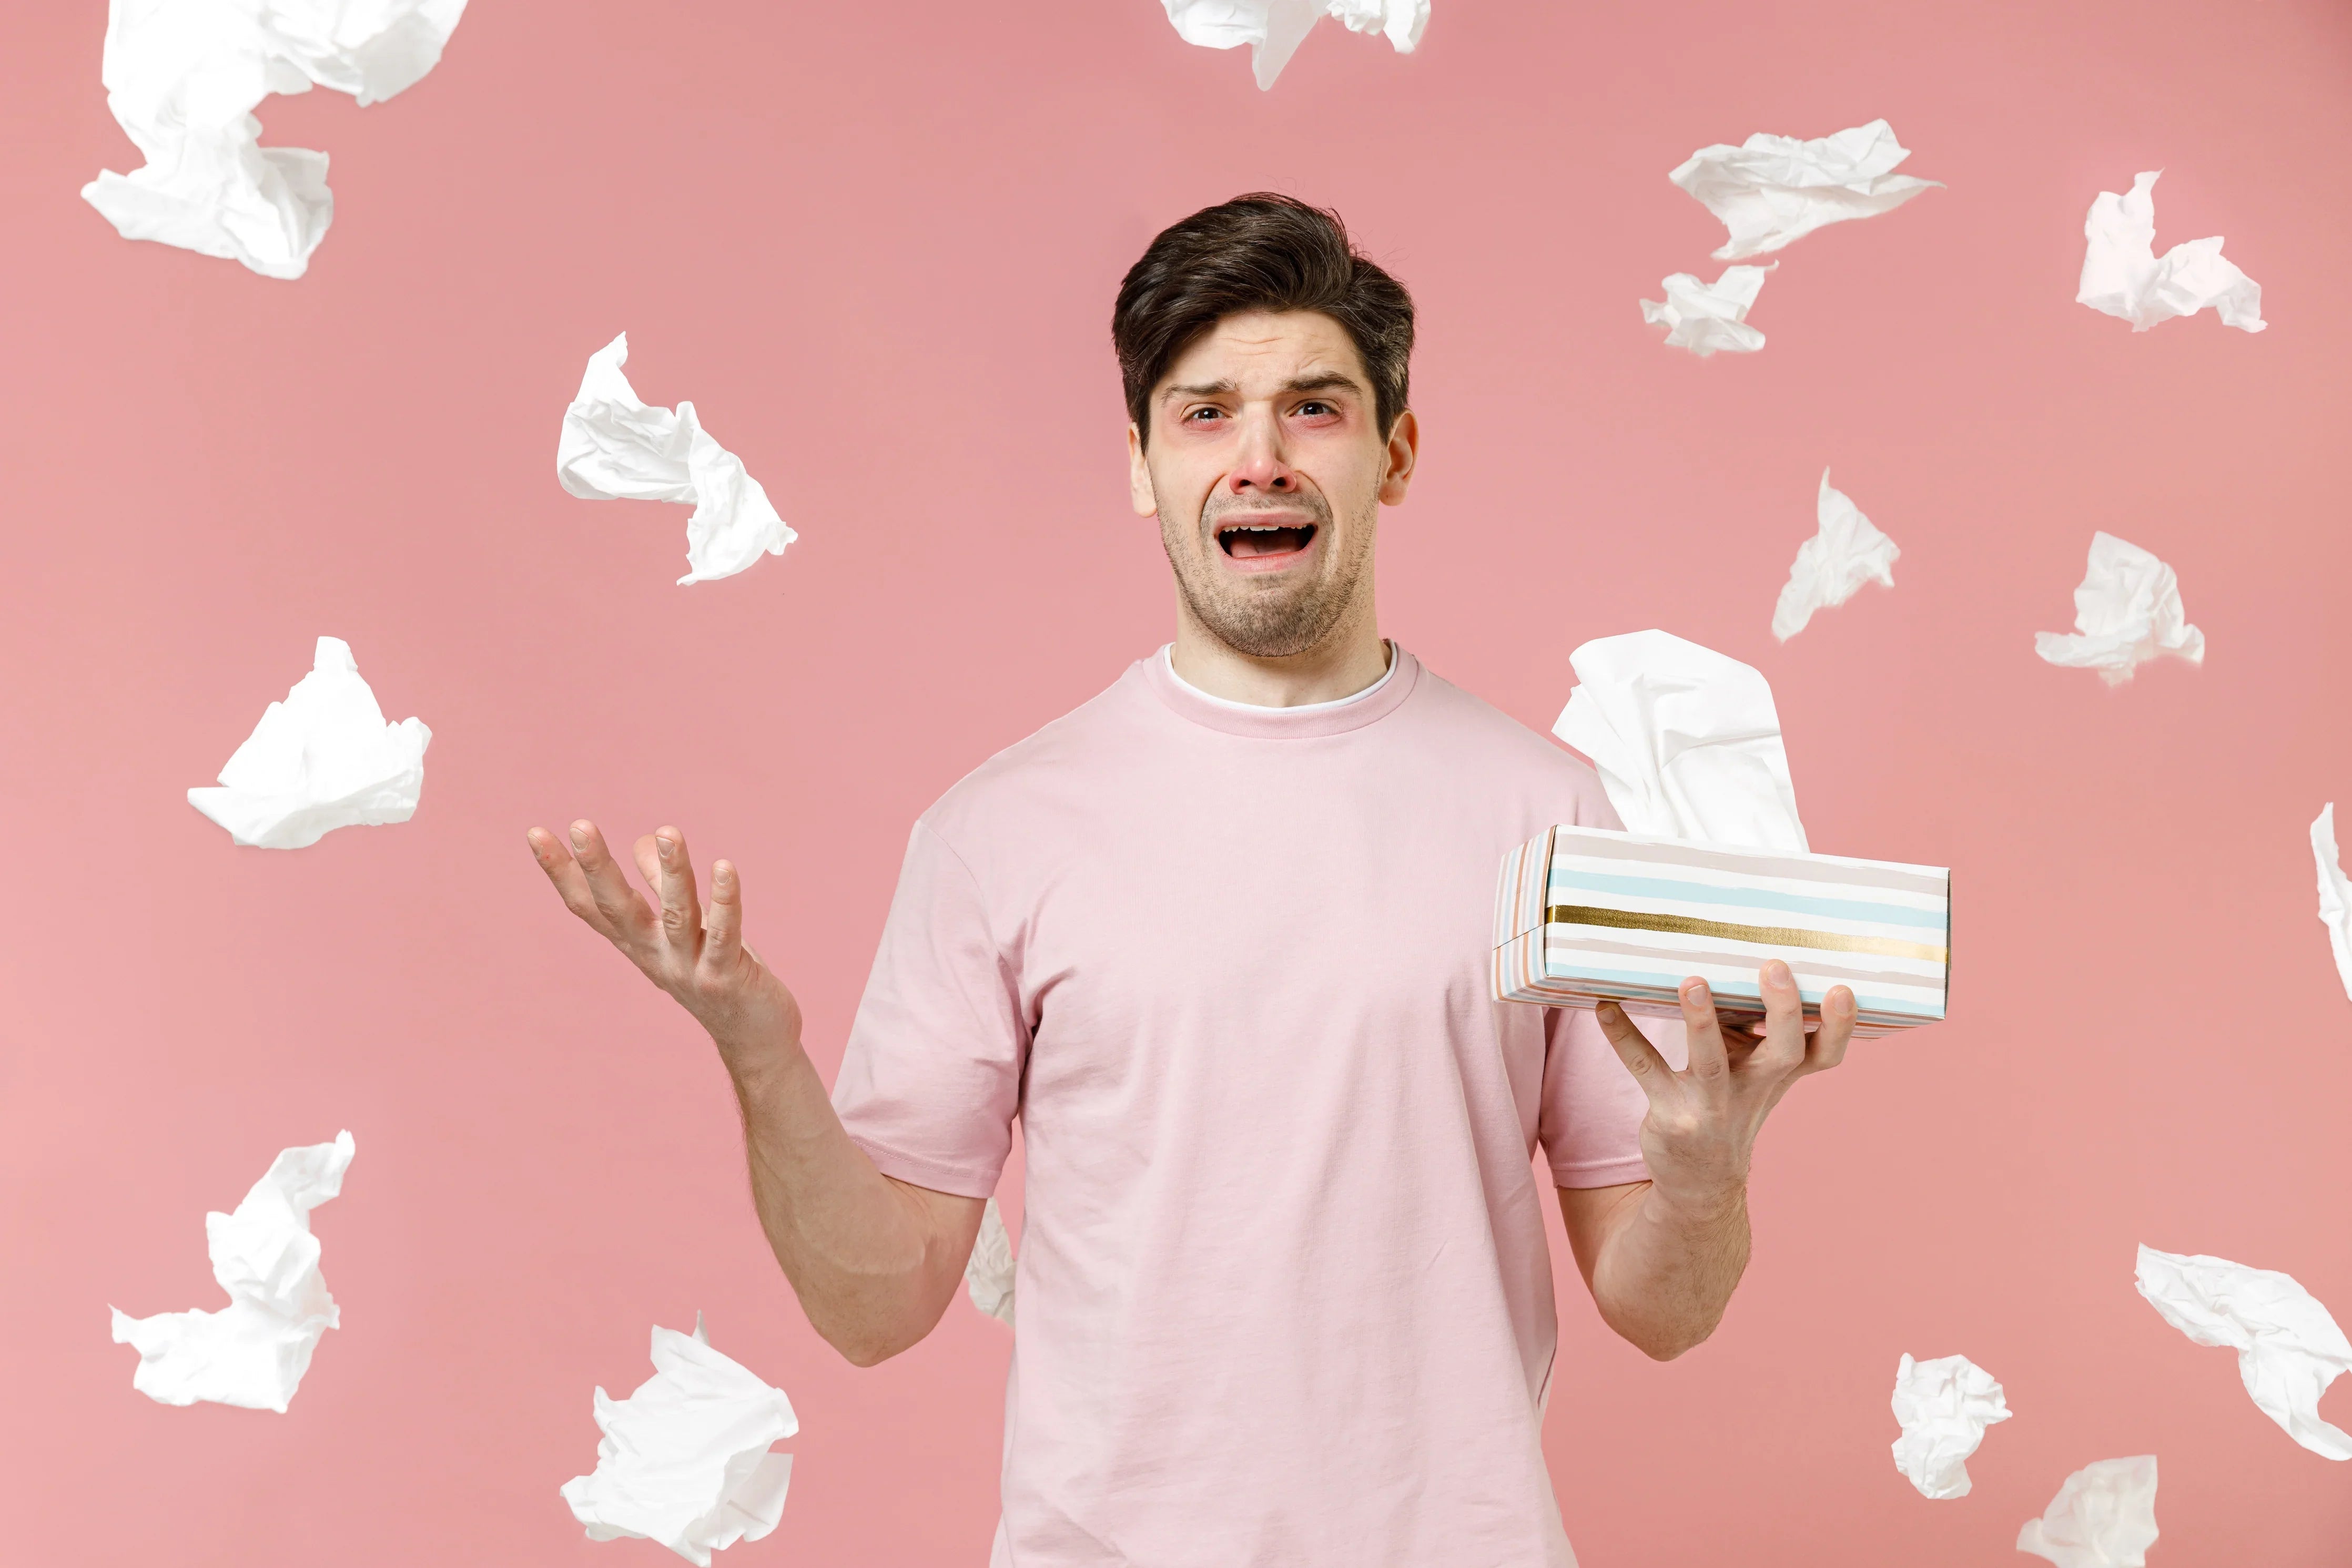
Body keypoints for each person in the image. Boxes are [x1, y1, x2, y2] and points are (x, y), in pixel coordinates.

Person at [527, 193, 1853, 1567]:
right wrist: (763, 1058)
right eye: (1206, 412)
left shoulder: (1550, 809)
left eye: (1315, 409)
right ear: (1141, 464)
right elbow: (877, 1306)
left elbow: (1663, 1309)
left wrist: (1701, 1176)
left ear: (1395, 454)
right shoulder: (1002, 830)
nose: (1260, 457)